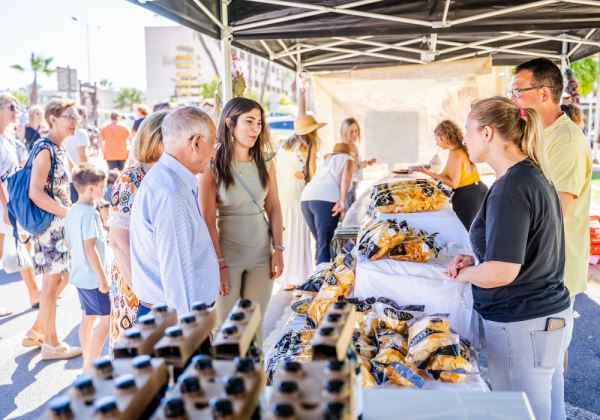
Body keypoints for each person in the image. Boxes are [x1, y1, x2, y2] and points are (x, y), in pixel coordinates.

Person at [447, 97, 571, 420]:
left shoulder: (511, 187)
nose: (464, 139)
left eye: (467, 131)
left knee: (522, 415)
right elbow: (522, 254)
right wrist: (478, 264)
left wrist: (464, 275)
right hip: (546, 319)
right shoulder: (529, 175)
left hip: (524, 325)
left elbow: (503, 271)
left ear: (487, 134)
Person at [512, 58, 592, 373]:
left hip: (555, 270)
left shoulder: (567, 141)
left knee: (549, 364)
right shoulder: (538, 134)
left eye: (519, 90)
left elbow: (553, 213)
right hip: (539, 265)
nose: (514, 97)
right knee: (539, 363)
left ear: (544, 94)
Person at [199, 97, 284, 346]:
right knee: (226, 331)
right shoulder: (211, 166)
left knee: (254, 328)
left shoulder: (266, 161)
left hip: (262, 256)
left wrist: (278, 249)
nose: (256, 129)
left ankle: (253, 383)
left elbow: (274, 207)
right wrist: (220, 265)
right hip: (227, 257)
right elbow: (206, 219)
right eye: (249, 121)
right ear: (229, 123)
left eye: (259, 122)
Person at [130, 106, 219, 317]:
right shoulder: (171, 193)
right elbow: (177, 277)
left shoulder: (169, 180)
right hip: (176, 321)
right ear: (196, 143)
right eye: (213, 143)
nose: (215, 152)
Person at [23, 99, 81, 360]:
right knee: (50, 284)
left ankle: (38, 328)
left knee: (62, 278)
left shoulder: (59, 149)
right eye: (70, 115)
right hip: (50, 227)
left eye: (77, 115)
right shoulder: (45, 149)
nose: (75, 120)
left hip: (60, 227)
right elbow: (35, 192)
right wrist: (67, 213)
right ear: (53, 118)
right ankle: (52, 344)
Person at [108, 111, 166, 349]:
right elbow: (119, 243)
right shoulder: (130, 179)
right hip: (135, 280)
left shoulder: (164, 174)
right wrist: (142, 292)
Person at [65, 164, 110, 372]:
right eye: (102, 186)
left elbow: (69, 244)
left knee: (88, 317)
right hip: (93, 278)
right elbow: (90, 248)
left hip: (79, 275)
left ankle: (87, 361)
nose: (105, 190)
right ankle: (90, 365)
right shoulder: (90, 214)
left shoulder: (72, 211)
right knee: (106, 321)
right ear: (91, 188)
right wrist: (103, 278)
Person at [0, 94, 40, 316]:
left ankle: (35, 292)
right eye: (12, 107)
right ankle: (35, 292)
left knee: (22, 245)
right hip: (4, 202)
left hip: (12, 199)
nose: (17, 111)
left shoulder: (7, 137)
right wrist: (6, 206)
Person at [273, 115, 322, 291]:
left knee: (287, 232)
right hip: (299, 192)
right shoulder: (308, 146)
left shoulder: (285, 145)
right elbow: (312, 173)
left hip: (284, 192)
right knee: (300, 232)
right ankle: (301, 276)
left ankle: (287, 277)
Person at [413, 120, 488, 230]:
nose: (436, 143)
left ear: (444, 137)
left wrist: (429, 173)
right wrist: (429, 172)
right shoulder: (460, 149)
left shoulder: (455, 154)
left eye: (437, 139)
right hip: (476, 191)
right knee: (475, 231)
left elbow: (453, 183)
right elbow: (447, 177)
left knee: (466, 232)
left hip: (468, 196)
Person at [301, 142, 355, 265]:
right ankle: (323, 281)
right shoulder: (348, 158)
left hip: (306, 199)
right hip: (324, 200)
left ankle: (318, 276)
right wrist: (342, 200)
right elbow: (347, 174)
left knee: (321, 244)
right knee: (325, 245)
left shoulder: (327, 162)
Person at [339, 117, 376, 209]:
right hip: (346, 188)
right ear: (344, 132)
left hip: (354, 185)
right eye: (351, 131)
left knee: (352, 211)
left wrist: (367, 163)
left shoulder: (354, 146)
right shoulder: (343, 148)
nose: (355, 134)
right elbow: (344, 169)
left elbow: (355, 164)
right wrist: (359, 165)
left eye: (356, 130)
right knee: (348, 214)